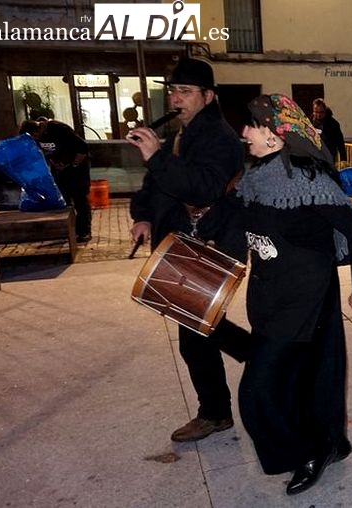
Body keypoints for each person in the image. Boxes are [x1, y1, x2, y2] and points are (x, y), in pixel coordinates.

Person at [236, 93, 352, 496]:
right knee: (298, 379)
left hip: (305, 298)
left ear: (277, 136)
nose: (243, 133)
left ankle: (308, 451)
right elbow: (236, 222)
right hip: (267, 294)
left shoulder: (308, 179)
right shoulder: (255, 175)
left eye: (252, 126)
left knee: (257, 391)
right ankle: (329, 442)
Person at [126, 58, 248, 443]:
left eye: (186, 91)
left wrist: (156, 156)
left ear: (208, 96)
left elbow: (204, 188)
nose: (176, 98)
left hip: (211, 241)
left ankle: (215, 412)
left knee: (195, 333)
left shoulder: (219, 137)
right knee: (200, 324)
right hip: (186, 240)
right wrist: (143, 214)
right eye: (174, 90)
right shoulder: (186, 132)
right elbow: (158, 182)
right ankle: (266, 358)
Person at [19, 117, 92, 241]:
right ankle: (69, 230)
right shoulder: (37, 138)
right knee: (64, 200)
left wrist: (72, 164)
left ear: (36, 131)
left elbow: (83, 147)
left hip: (77, 167)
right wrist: (55, 163)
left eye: (34, 137)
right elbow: (47, 153)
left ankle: (84, 231)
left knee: (79, 198)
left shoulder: (59, 129)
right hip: (60, 169)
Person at [311, 98, 347, 166]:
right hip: (315, 157)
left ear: (325, 111)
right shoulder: (311, 122)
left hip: (329, 157)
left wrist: (343, 159)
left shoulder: (333, 124)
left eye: (321, 112)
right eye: (316, 112)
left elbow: (340, 142)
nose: (318, 115)